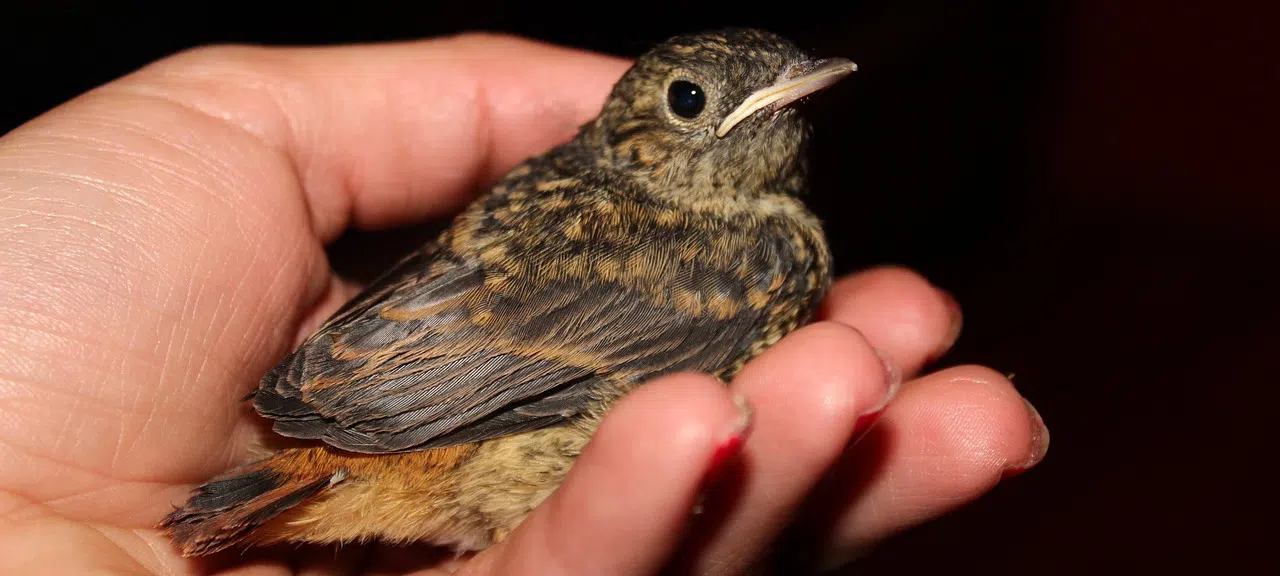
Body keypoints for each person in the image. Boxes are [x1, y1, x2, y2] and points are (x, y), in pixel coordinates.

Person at [0, 33, 1048, 575]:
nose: (729, 113)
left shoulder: (742, 237)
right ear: (635, 125)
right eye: (690, 101)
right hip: (436, 442)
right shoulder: (763, 259)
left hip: (406, 411)